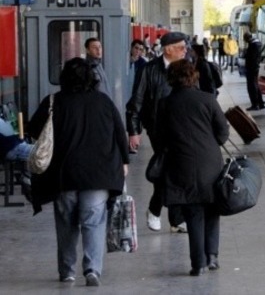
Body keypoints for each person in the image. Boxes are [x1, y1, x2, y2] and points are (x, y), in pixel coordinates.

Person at [27, 57, 129, 287]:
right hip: (98, 173)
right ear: (91, 78)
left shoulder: (53, 101)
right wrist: (124, 161)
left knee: (66, 223)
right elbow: (119, 133)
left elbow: (34, 130)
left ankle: (67, 272)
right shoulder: (103, 101)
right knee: (94, 221)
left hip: (64, 174)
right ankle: (92, 269)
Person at [156, 60, 229, 276]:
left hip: (180, 163)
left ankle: (198, 263)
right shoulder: (208, 100)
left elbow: (159, 138)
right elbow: (223, 133)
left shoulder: (165, 104)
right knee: (212, 209)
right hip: (210, 163)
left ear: (171, 78)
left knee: (193, 213)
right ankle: (212, 256)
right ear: (193, 76)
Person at [125, 31, 188, 234]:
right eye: (181, 47)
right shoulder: (149, 70)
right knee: (169, 167)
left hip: (182, 127)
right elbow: (136, 102)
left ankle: (168, 216)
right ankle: (159, 212)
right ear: (168, 49)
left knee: (174, 170)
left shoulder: (186, 67)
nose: (185, 51)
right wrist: (134, 131)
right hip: (158, 128)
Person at [244, 32, 265, 110]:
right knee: (256, 85)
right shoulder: (257, 44)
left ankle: (255, 104)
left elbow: (251, 58)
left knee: (251, 86)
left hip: (251, 68)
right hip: (255, 67)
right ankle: (261, 103)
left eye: (245, 39)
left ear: (247, 38)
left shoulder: (253, 45)